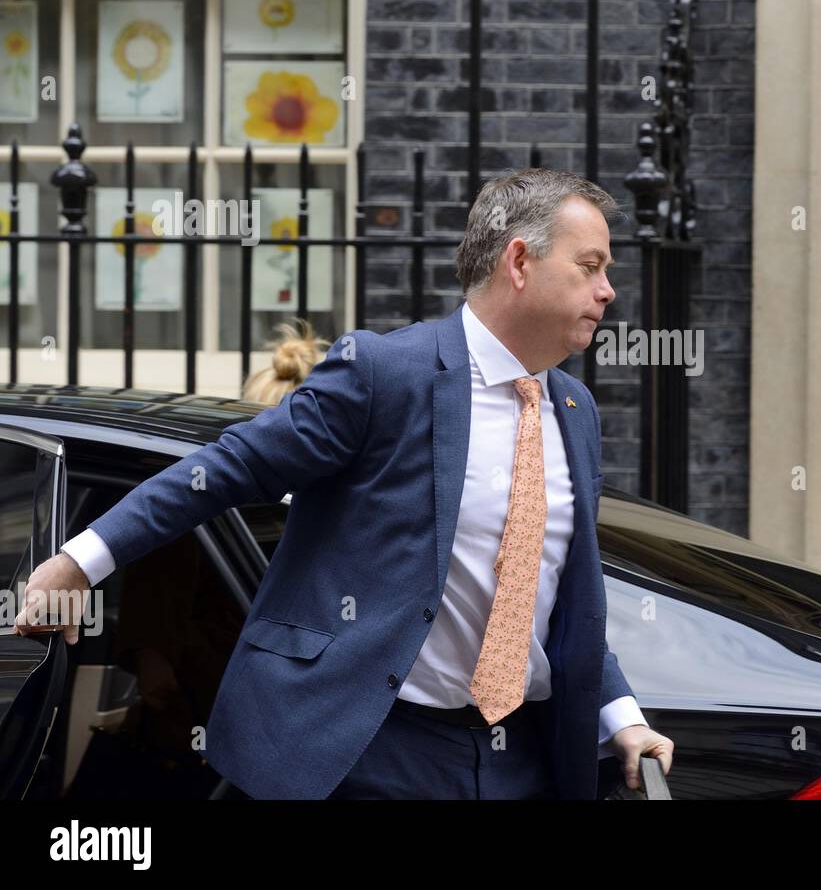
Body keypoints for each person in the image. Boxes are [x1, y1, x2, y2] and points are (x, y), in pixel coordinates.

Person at [17, 167, 675, 800]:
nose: (608, 289)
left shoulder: (575, 412)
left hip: (521, 760)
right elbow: (227, 468)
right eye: (590, 266)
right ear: (521, 262)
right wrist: (82, 560)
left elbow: (560, 596)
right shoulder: (385, 375)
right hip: (378, 752)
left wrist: (622, 717)